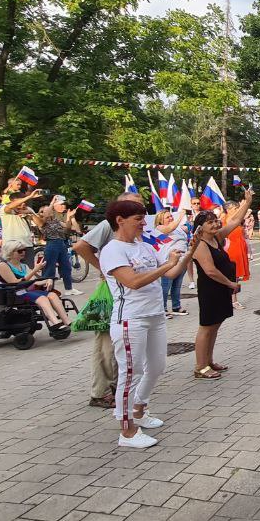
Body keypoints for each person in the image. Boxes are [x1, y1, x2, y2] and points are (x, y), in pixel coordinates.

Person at [100, 199, 196, 448]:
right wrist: (167, 264)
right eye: (138, 219)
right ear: (120, 220)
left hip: (155, 315)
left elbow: (171, 273)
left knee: (156, 366)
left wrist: (189, 252)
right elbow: (132, 282)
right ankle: (127, 431)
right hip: (131, 319)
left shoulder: (143, 246)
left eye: (144, 218)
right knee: (131, 373)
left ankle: (140, 409)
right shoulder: (113, 250)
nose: (144, 223)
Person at [72, 191, 148, 409]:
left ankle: (116, 384)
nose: (140, 212)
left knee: (119, 341)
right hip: (112, 289)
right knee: (106, 341)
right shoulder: (108, 225)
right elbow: (81, 246)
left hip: (130, 291)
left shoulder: (138, 226)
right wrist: (103, 268)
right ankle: (101, 391)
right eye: (134, 206)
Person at [191, 188, 253, 380]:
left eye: (215, 220)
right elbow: (210, 270)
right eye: (210, 222)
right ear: (200, 227)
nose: (215, 223)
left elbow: (235, 221)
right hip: (210, 289)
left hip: (220, 288)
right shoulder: (200, 244)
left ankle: (209, 361)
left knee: (215, 326)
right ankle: (200, 367)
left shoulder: (216, 237)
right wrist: (230, 284)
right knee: (206, 327)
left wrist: (247, 202)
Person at [0, 240, 73, 329]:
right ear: (10, 252)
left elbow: (33, 282)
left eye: (24, 250)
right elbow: (15, 283)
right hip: (13, 293)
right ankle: (56, 323)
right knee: (42, 298)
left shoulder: (24, 266)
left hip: (26, 291)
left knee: (52, 295)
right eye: (20, 251)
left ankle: (67, 321)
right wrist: (35, 270)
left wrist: (48, 280)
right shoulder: (3, 265)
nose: (23, 252)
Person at [38, 195, 83, 297]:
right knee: (50, 269)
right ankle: (48, 290)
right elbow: (46, 215)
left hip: (61, 243)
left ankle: (69, 289)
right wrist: (52, 203)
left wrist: (69, 217)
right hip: (51, 244)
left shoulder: (56, 220)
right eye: (47, 210)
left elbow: (67, 227)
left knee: (66, 267)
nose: (50, 211)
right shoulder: (42, 222)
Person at [154, 211, 189, 316]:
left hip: (182, 260)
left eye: (171, 216)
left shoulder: (178, 228)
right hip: (168, 261)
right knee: (165, 286)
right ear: (160, 220)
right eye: (167, 217)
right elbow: (170, 228)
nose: (171, 218)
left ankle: (176, 306)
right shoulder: (160, 228)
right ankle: (163, 309)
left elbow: (187, 229)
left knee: (177, 285)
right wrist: (181, 216)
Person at [222, 200, 251, 307]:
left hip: (239, 249)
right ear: (228, 210)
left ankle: (231, 299)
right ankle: (233, 301)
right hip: (232, 250)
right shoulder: (228, 218)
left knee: (236, 276)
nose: (237, 210)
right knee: (233, 275)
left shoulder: (235, 219)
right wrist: (243, 206)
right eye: (235, 208)